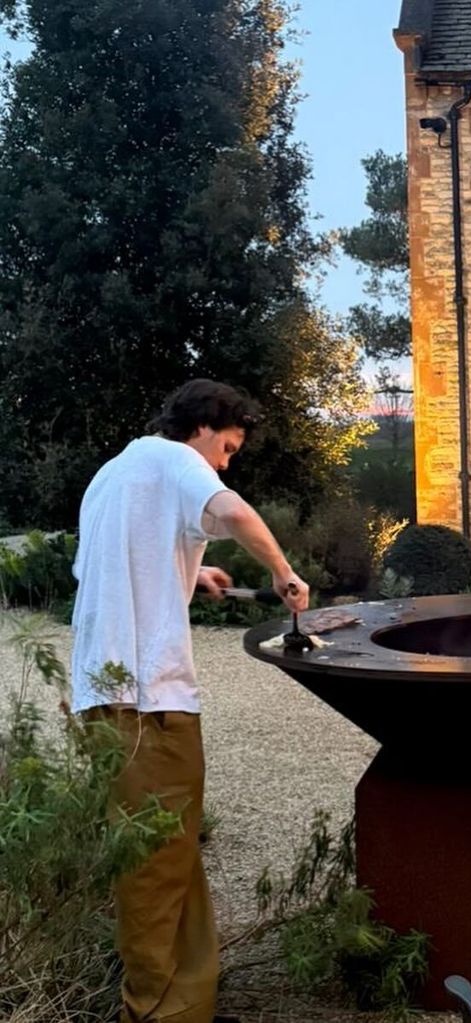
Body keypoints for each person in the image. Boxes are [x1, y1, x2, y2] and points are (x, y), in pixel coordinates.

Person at [71, 379, 310, 1023]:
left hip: (102, 691)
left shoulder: (112, 473)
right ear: (202, 426)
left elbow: (100, 566)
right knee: (154, 862)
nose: (225, 463)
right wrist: (283, 572)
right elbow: (235, 512)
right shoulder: (178, 459)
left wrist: (189, 569)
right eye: (227, 448)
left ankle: (186, 1001)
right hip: (146, 697)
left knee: (168, 849)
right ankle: (152, 1010)